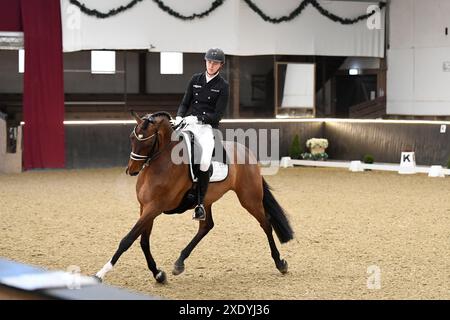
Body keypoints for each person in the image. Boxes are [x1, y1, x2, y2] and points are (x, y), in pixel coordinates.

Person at [171, 48, 229, 220]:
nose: (211, 65)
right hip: (188, 123)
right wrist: (180, 117)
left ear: (221, 65)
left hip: (206, 128)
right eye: (209, 62)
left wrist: (197, 118)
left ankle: (200, 204)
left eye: (215, 63)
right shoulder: (195, 79)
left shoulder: (222, 86)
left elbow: (217, 115)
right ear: (205, 61)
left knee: (203, 161)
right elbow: (185, 102)